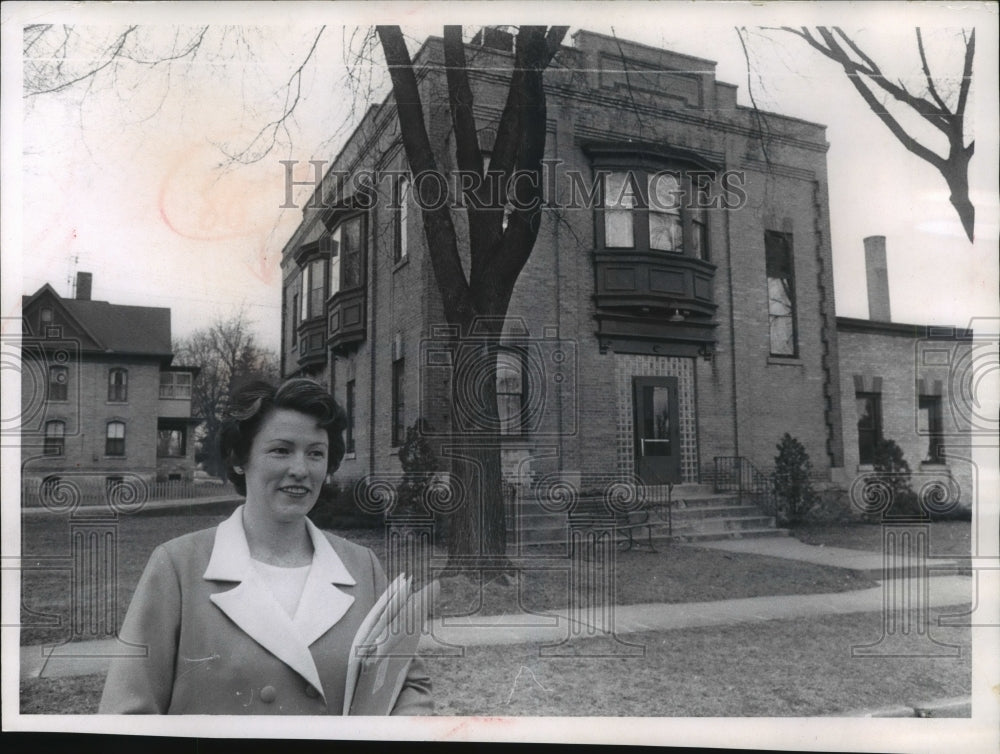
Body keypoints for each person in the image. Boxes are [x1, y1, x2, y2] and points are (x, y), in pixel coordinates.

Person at [99, 378, 432, 715]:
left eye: (316, 453)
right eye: (281, 450)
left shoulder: (362, 567)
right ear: (241, 459)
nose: (301, 470)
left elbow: (406, 684)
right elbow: (127, 716)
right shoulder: (176, 567)